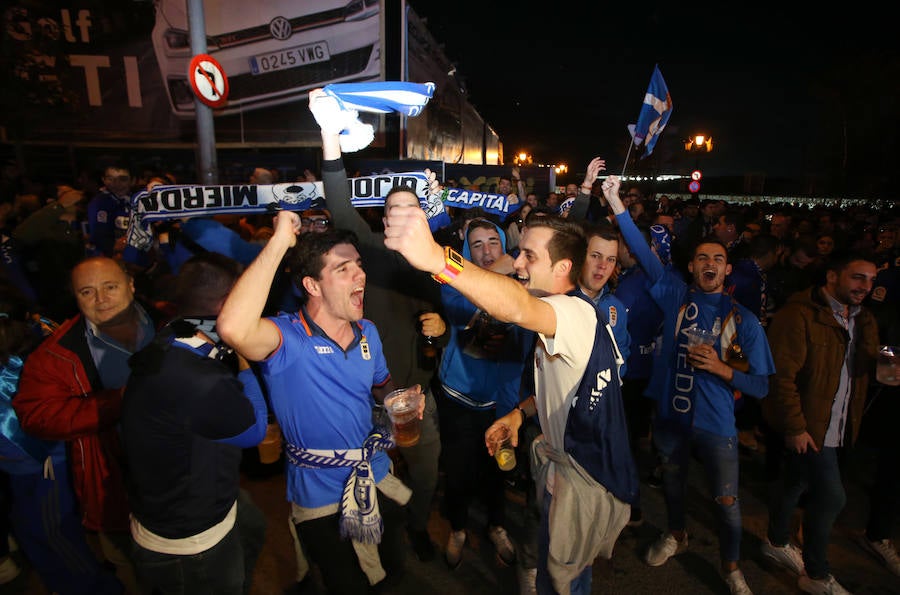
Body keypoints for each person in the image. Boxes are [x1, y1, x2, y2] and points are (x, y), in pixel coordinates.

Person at [383, 206, 638, 595]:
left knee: (565, 583)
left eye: (529, 255)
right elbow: (566, 387)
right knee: (557, 566)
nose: (516, 262)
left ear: (562, 268)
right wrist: (520, 414)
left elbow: (515, 305)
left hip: (588, 476)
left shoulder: (571, 314)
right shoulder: (559, 320)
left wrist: (438, 258)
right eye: (518, 251)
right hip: (565, 468)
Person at [217, 222, 414, 594]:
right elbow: (234, 330)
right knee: (347, 584)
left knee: (393, 569)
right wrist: (278, 243)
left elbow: (379, 385)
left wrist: (396, 404)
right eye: (344, 269)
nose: (361, 274)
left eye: (359, 265)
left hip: (377, 475)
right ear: (312, 286)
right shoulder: (287, 338)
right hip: (321, 497)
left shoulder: (368, 332)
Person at [603, 175, 774, 595]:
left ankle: (731, 568)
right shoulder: (675, 296)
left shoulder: (741, 321)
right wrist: (614, 202)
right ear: (692, 266)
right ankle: (676, 534)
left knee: (727, 504)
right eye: (701, 258)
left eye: (717, 258)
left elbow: (761, 388)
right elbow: (643, 254)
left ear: (727, 268)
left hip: (717, 427)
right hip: (670, 417)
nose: (709, 264)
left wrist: (722, 369)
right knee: (673, 486)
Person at [309, 88, 446, 562]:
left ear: (423, 219)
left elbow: (458, 323)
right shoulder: (371, 253)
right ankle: (374, 544)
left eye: (412, 210)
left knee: (426, 474)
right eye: (394, 211)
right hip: (368, 402)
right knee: (367, 478)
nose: (402, 217)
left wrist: (441, 329)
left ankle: (417, 525)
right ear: (384, 221)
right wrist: (329, 135)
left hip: (418, 399)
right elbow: (337, 201)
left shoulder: (439, 264)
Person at [122, 252, 268, 595]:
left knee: (253, 527)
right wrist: (245, 358)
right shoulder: (197, 378)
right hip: (191, 540)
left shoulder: (175, 336)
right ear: (225, 304)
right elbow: (255, 431)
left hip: (202, 495)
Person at [14, 256, 159, 594]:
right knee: (135, 568)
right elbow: (36, 415)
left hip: (187, 478)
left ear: (131, 285)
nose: (101, 299)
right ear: (76, 298)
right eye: (87, 292)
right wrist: (120, 401)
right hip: (118, 488)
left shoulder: (166, 320)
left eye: (110, 287)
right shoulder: (55, 355)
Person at [762, 250, 880, 595]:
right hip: (811, 426)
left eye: (872, 280)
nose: (865, 286)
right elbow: (780, 376)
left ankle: (776, 539)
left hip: (840, 424)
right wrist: (795, 426)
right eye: (858, 277)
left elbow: (861, 368)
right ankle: (815, 573)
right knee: (831, 497)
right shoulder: (799, 316)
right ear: (832, 276)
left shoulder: (864, 319)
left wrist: (882, 370)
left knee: (796, 482)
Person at [0, 285, 123, 594]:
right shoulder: (46, 332)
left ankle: (91, 587)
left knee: (51, 532)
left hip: (41, 462)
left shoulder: (27, 362)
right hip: (38, 461)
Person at [435, 217, 531, 570]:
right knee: (459, 470)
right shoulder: (452, 286)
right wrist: (502, 270)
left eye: (494, 241)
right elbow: (464, 316)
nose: (488, 250)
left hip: (502, 401)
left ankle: (496, 525)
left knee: (497, 469)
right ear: (466, 253)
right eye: (477, 245)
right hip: (459, 397)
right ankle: (459, 528)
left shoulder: (521, 285)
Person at [86, 164, 134, 257]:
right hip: (107, 258)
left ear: (133, 181)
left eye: (122, 179)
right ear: (103, 180)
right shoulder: (99, 203)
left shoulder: (138, 200)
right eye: (110, 179)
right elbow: (99, 238)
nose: (116, 184)